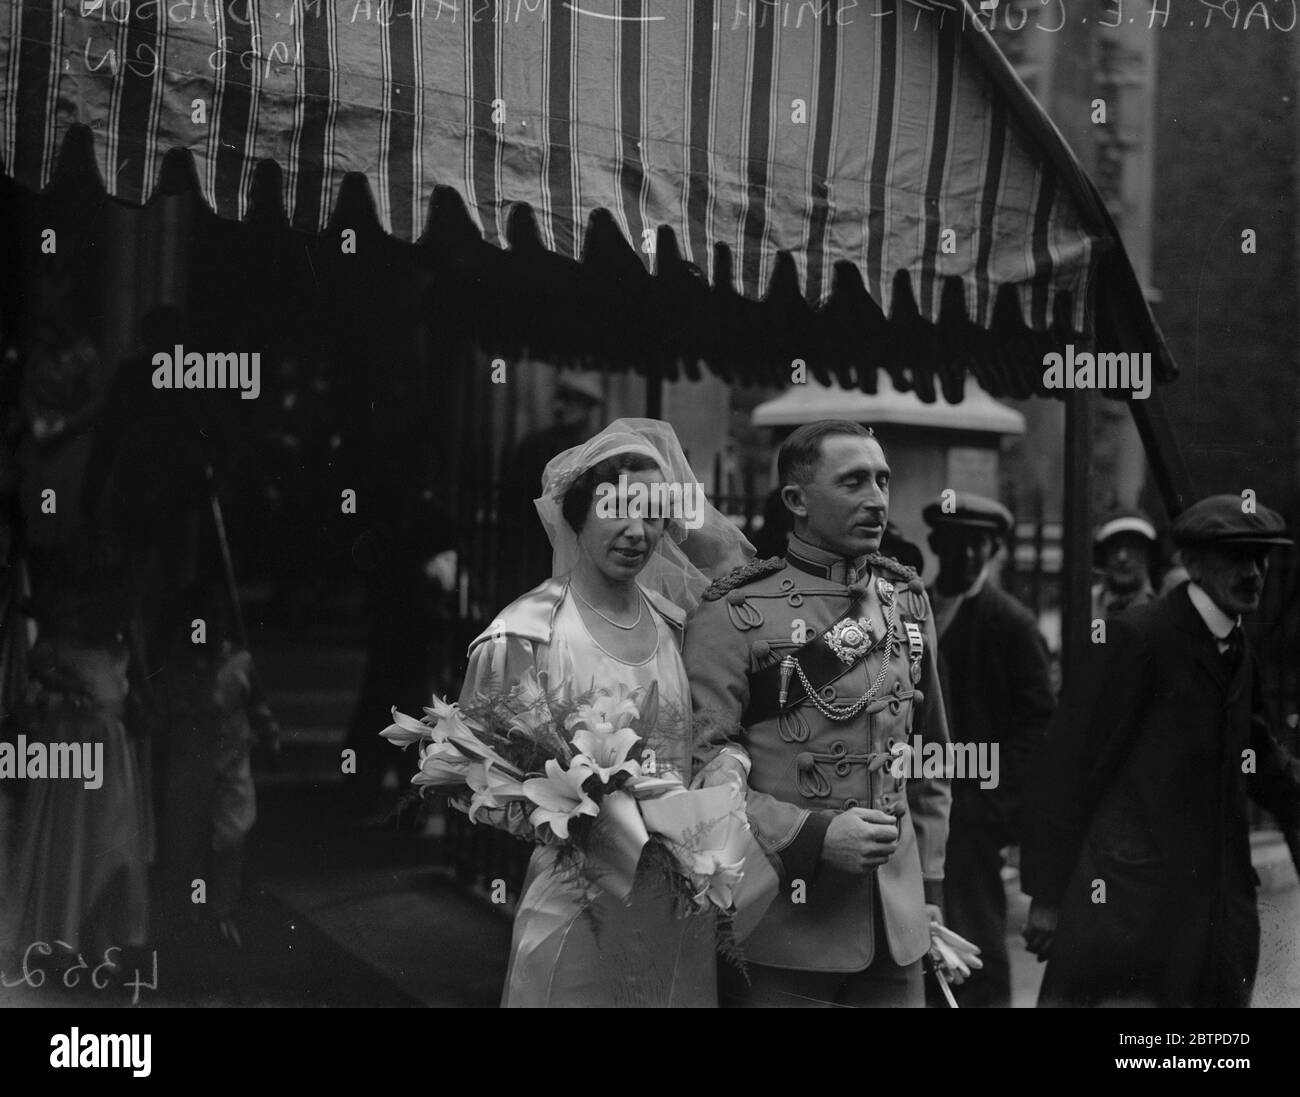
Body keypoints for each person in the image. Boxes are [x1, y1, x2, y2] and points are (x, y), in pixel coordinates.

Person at [461, 418, 752, 1007]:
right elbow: (478, 775)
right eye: (617, 508)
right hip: (575, 907)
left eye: (652, 514)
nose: (636, 531)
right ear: (578, 513)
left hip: (676, 907)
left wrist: (721, 780)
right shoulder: (526, 634)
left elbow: (712, 741)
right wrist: (590, 819)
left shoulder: (677, 629)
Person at [687, 420, 952, 1008]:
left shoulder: (904, 599)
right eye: (854, 481)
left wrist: (929, 887)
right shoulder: (733, 611)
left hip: (897, 927)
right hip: (784, 925)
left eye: (882, 480)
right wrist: (815, 834)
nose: (877, 499)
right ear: (796, 500)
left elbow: (931, 758)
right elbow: (701, 778)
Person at [1021, 494, 1300, 1008]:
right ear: (1192, 565)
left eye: (1261, 558)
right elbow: (1069, 765)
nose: (1255, 573)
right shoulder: (1137, 639)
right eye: (1237, 558)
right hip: (1126, 912)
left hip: (1214, 918)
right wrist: (1047, 895)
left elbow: (1257, 754)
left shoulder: (1237, 649)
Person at [922, 492, 1054, 1007]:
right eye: (958, 542)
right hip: (916, 803)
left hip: (973, 816)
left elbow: (1036, 725)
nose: (969, 555)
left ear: (994, 549)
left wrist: (990, 803)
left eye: (981, 544)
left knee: (974, 942)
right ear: (937, 543)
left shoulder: (1012, 623)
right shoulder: (918, 608)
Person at [503, 372, 603, 591]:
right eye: (559, 398)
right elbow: (514, 501)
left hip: (581, 546)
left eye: (570, 401)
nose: (560, 407)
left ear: (587, 407)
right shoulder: (535, 445)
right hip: (536, 544)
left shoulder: (596, 450)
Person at [1091, 509, 1157, 620]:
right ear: (1103, 555)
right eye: (1114, 547)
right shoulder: (1084, 605)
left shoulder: (1167, 609)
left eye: (1132, 547)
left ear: (1148, 555)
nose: (1122, 557)